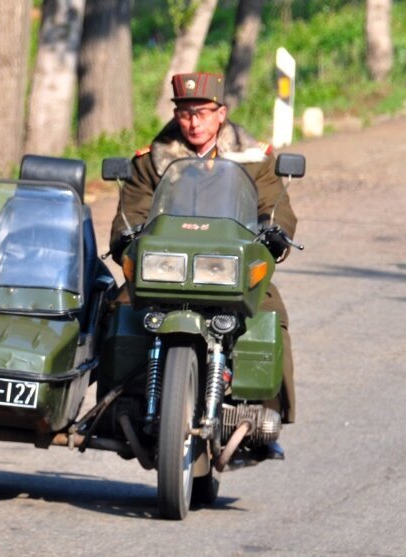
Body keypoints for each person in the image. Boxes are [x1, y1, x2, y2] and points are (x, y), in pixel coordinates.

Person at [109, 72, 298, 424]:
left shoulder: (254, 157)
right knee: (117, 313)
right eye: (184, 113)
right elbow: (130, 212)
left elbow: (275, 207)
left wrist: (275, 232)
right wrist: (126, 236)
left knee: (272, 315)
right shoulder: (152, 161)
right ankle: (115, 406)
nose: (193, 123)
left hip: (228, 270)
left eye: (203, 113)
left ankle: (266, 413)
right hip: (165, 270)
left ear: (221, 113)